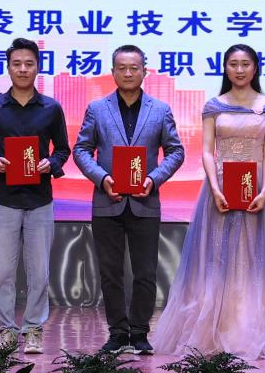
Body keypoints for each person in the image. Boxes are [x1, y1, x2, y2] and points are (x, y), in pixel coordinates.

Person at [152, 44, 265, 359]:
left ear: (255, 67)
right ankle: (215, 329)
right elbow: (207, 150)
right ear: (225, 68)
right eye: (233, 64)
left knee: (254, 256)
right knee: (217, 256)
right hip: (219, 186)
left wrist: (264, 188)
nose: (240, 70)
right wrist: (215, 187)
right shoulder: (214, 106)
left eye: (245, 64)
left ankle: (248, 327)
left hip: (257, 185)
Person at [73, 44, 184, 355]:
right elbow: (81, 149)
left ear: (144, 71)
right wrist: (101, 178)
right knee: (110, 272)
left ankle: (140, 332)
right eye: (121, 68)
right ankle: (118, 332)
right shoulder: (97, 108)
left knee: (145, 272)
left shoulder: (160, 109)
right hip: (107, 200)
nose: (128, 73)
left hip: (145, 201)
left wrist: (154, 179)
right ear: (112, 72)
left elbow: (176, 151)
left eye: (134, 68)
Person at [0, 38, 70, 354]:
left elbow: (63, 149)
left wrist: (50, 163)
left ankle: (33, 329)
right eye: (17, 64)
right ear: (9, 67)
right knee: (3, 271)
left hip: (40, 199)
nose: (23, 69)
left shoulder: (51, 108)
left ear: (38, 67)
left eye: (29, 63)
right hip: (4, 198)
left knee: (39, 271)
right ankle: (6, 328)